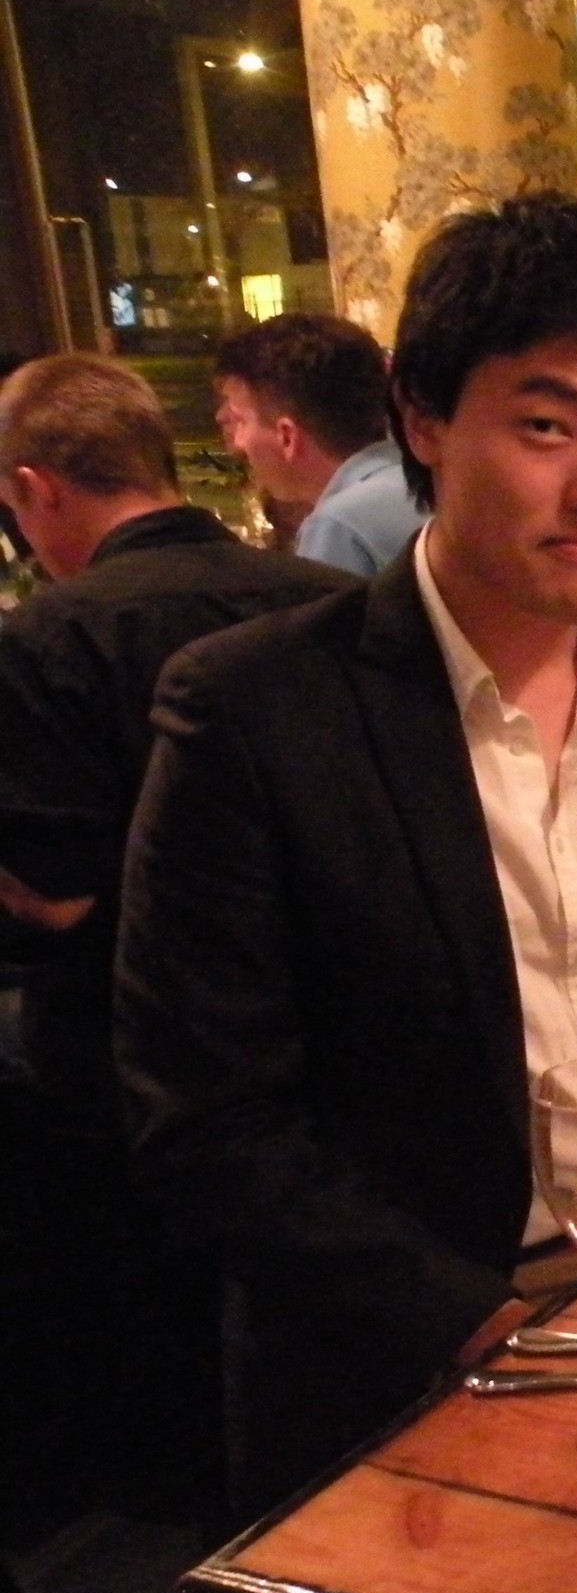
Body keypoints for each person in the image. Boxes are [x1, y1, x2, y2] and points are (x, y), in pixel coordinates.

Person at [118, 194, 577, 1513]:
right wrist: (491, 1331)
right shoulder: (256, 713)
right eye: (547, 427)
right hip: (445, 1327)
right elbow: (211, 1126)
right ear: (421, 417)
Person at [0, 353, 347, 1519]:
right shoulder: (316, 596)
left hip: (131, 1069)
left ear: (37, 488)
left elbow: (52, 899)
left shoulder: (48, 636)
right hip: (330, 1028)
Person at [212, 312, 424, 571]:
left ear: (287, 436)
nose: (238, 443)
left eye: (241, 421)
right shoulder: (423, 479)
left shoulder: (338, 527)